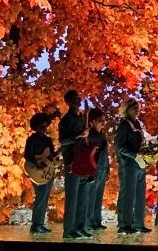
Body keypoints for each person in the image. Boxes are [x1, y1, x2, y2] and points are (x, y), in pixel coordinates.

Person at [58, 89, 90, 239]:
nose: (78, 101)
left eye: (79, 98)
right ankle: (69, 229)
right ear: (69, 102)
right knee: (72, 197)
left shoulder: (83, 117)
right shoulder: (65, 121)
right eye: (75, 99)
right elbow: (63, 141)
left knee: (83, 196)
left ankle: (80, 226)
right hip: (72, 159)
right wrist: (78, 136)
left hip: (83, 158)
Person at [114, 98, 149, 235]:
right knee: (127, 195)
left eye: (138, 107)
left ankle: (138, 223)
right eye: (134, 107)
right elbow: (120, 147)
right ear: (126, 109)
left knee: (140, 194)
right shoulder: (124, 125)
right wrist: (134, 155)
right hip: (128, 164)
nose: (137, 110)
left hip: (139, 163)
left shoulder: (137, 124)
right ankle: (124, 224)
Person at [23, 111, 56, 235]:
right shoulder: (31, 140)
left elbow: (50, 154)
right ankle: (37, 224)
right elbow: (27, 155)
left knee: (44, 197)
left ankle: (39, 224)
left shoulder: (48, 140)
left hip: (47, 170)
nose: (43, 128)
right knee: (41, 196)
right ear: (36, 126)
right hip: (36, 170)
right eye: (41, 126)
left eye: (45, 126)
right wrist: (37, 163)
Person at [86, 108, 110, 231]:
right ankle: (89, 221)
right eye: (101, 120)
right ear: (93, 121)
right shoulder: (90, 135)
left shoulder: (102, 136)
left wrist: (107, 169)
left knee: (98, 196)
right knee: (91, 196)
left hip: (102, 167)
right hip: (94, 169)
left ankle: (96, 220)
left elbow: (105, 154)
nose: (103, 123)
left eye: (104, 120)